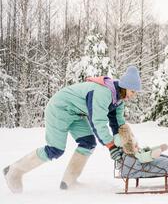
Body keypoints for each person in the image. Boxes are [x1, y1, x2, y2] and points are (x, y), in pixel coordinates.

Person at [3, 66, 142, 193]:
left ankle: (69, 182)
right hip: (60, 108)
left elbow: (118, 124)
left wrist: (124, 143)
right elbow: (98, 122)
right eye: (132, 91)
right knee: (55, 149)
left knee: (88, 143)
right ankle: (15, 171)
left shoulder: (118, 100)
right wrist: (111, 146)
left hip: (76, 113)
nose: (133, 95)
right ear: (124, 86)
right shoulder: (103, 92)